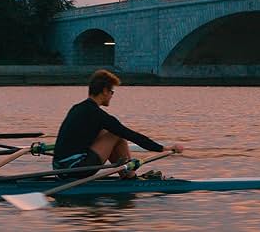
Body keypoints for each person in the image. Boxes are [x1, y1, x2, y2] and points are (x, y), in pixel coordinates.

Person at [52, 69, 184, 179]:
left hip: (60, 168)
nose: (111, 96)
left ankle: (127, 175)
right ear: (104, 91)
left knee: (104, 133)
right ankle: (130, 177)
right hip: (74, 169)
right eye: (111, 92)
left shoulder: (77, 108)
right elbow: (129, 134)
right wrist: (162, 148)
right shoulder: (97, 114)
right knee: (116, 135)